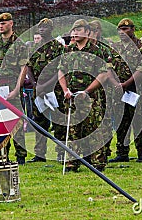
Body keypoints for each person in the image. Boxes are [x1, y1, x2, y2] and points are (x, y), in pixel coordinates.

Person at [58, 19, 108, 172]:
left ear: (87, 32)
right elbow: (61, 71)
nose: (75, 33)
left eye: (79, 30)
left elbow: (103, 74)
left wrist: (87, 91)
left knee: (94, 130)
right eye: (74, 30)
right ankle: (72, 163)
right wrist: (65, 89)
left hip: (90, 96)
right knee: (72, 131)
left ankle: (97, 163)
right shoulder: (68, 50)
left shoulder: (95, 50)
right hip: (72, 97)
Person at [108, 18, 142, 163]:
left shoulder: (141, 47)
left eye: (125, 29)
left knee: (139, 122)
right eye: (120, 30)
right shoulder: (115, 47)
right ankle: (122, 152)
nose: (122, 32)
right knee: (121, 122)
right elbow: (109, 69)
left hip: (136, 90)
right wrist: (116, 84)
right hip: (119, 91)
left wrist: (126, 83)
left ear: (132, 29)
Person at [0, 12, 27, 164]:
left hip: (12, 86)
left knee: (16, 121)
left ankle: (21, 155)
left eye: (3, 23)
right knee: (1, 122)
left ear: (11, 24)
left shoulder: (19, 43)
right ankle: (3, 154)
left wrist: (17, 89)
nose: (1, 26)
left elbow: (23, 68)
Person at [25, 18, 64, 163]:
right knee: (39, 122)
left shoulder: (58, 47)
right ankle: (40, 154)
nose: (42, 30)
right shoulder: (35, 47)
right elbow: (28, 67)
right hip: (38, 90)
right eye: (40, 28)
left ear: (51, 29)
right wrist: (35, 85)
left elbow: (60, 70)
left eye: (45, 28)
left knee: (59, 122)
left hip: (55, 90)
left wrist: (46, 86)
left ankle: (61, 153)